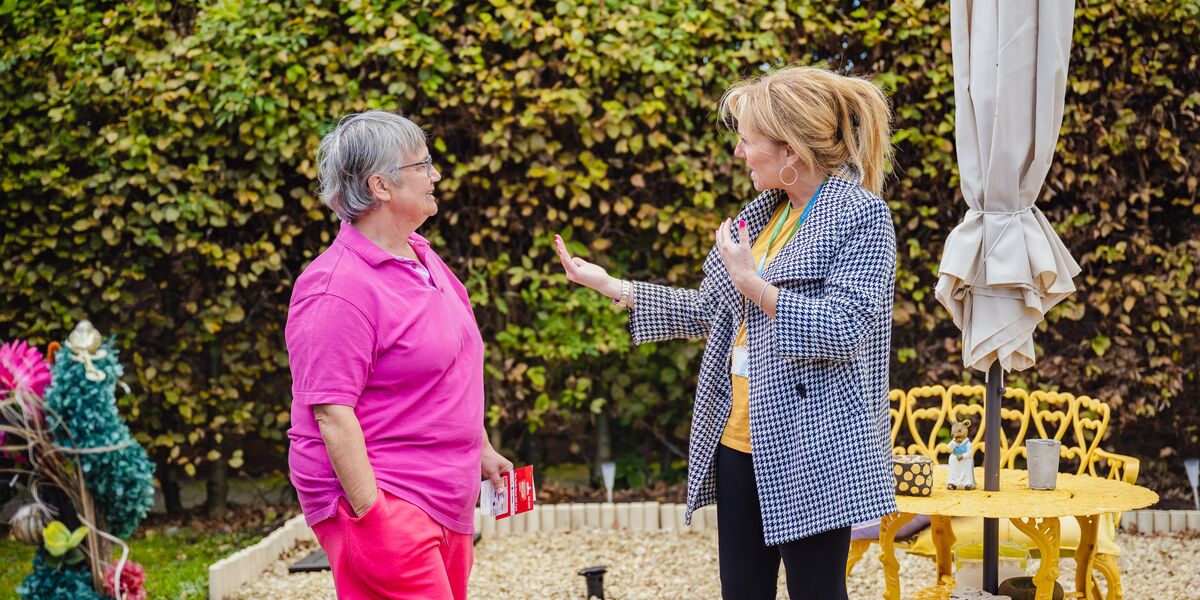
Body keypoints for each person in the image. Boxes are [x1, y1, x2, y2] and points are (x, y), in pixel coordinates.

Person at [554, 66, 898, 600]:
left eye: (746, 140)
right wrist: (611, 285)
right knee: (740, 590)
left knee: (818, 592)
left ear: (790, 151)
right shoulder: (763, 216)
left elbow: (844, 328)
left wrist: (752, 283)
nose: (739, 153)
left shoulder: (862, 218)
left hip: (813, 445)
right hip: (739, 440)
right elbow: (709, 312)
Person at [286, 110, 512, 600]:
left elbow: (452, 369)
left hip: (446, 495)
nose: (436, 175)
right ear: (380, 186)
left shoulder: (423, 257)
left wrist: (482, 449)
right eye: (423, 165)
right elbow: (330, 411)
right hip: (390, 497)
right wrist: (372, 515)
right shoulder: (335, 288)